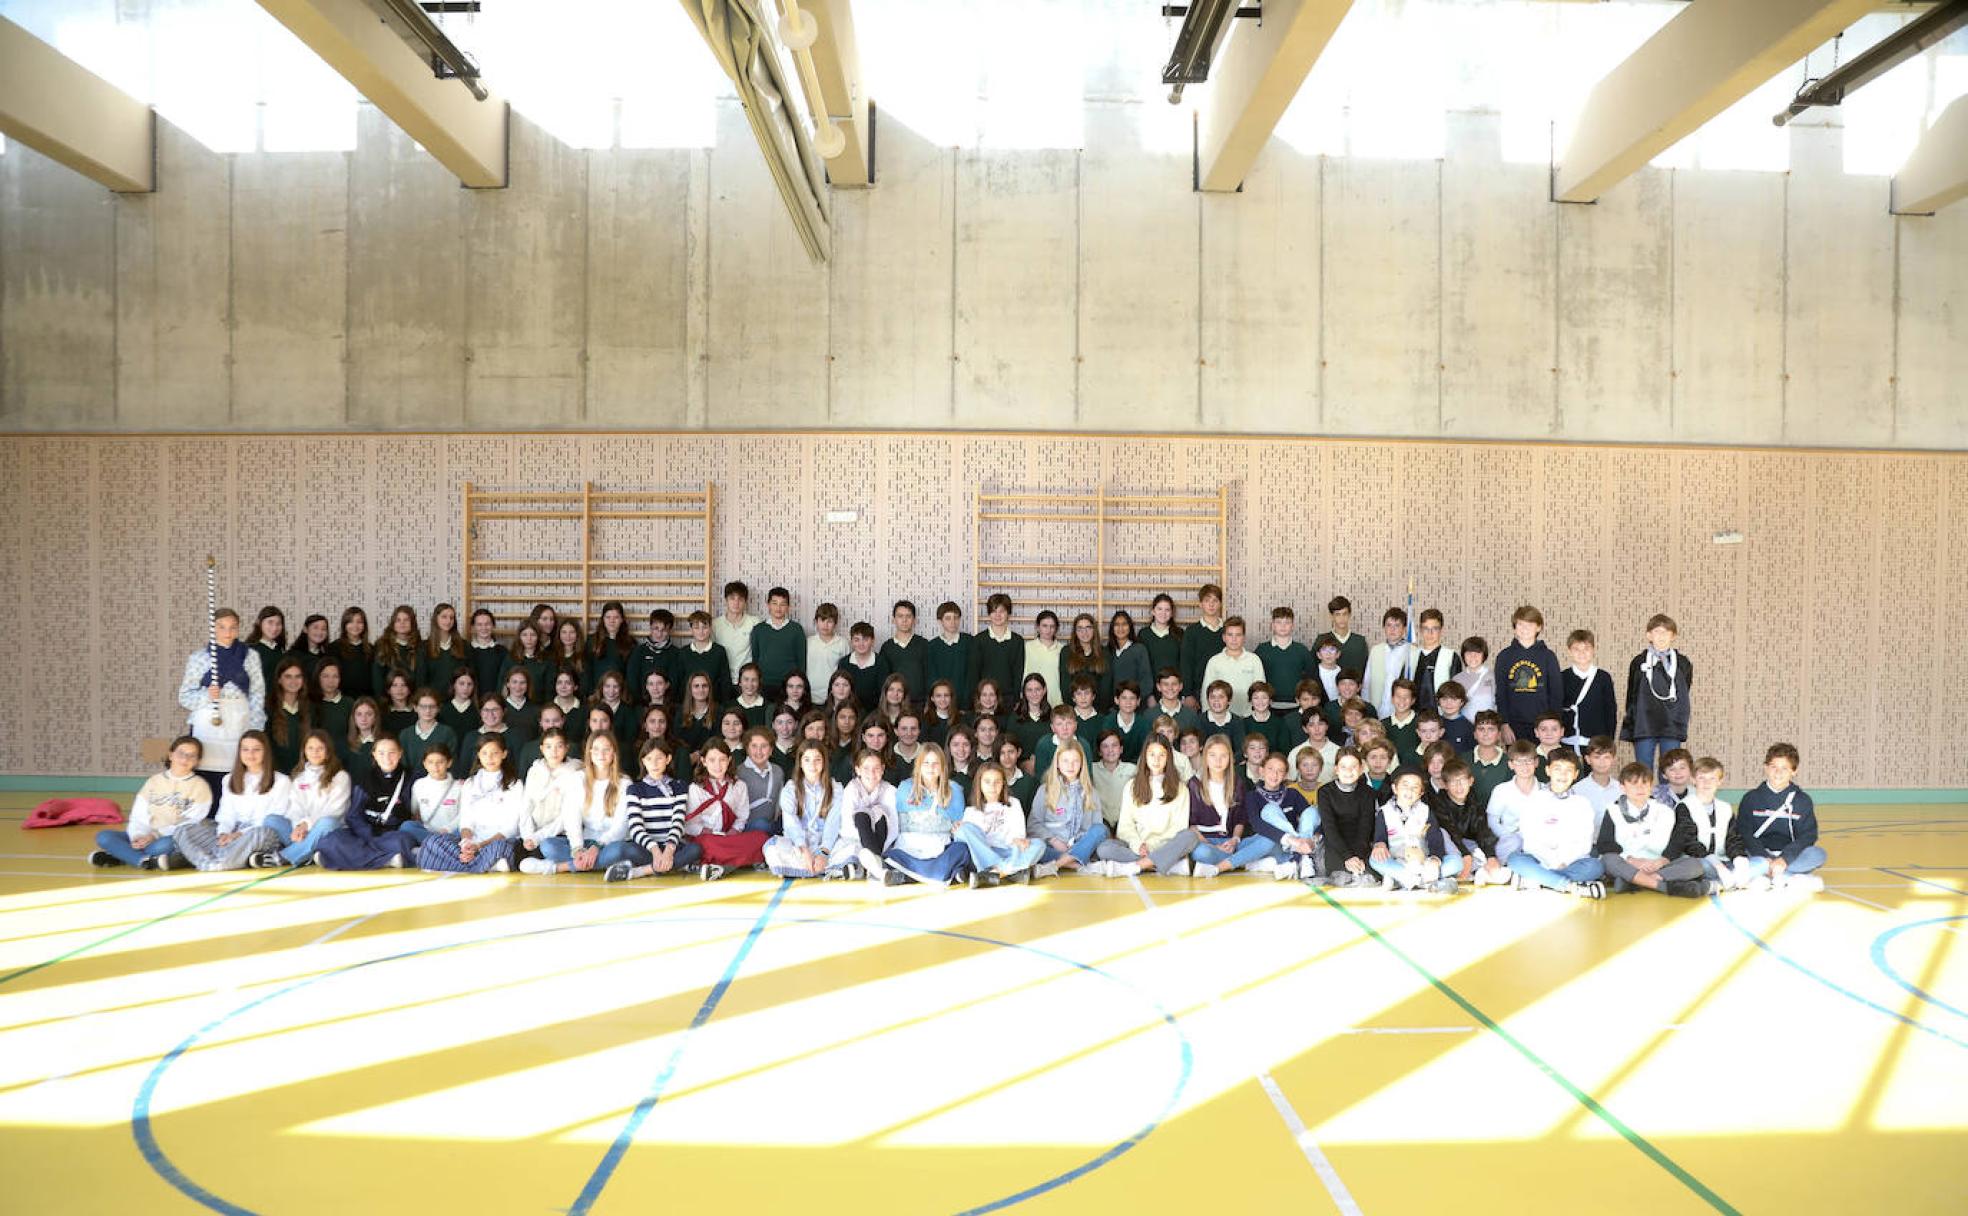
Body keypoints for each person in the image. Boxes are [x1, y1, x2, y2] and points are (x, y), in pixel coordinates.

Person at [177, 607, 267, 805]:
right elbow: (184, 696)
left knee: (238, 770)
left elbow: (257, 692)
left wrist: (255, 726)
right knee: (207, 771)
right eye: (222, 627)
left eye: (233, 627)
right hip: (208, 721)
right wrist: (207, 695)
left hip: (239, 720)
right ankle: (207, 811)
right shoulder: (200, 658)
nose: (228, 632)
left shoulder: (250, 656)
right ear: (213, 628)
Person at [175, 730, 291, 872]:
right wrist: (223, 833)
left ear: (266, 752)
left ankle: (217, 862)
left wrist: (238, 835)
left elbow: (274, 818)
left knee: (261, 834)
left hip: (257, 832)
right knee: (184, 829)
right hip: (232, 831)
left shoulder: (281, 781)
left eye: (256, 749)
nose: (250, 754)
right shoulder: (229, 779)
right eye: (245, 749)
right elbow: (226, 814)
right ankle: (219, 859)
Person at [91, 736, 212, 870]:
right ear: (171, 755)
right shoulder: (154, 781)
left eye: (191, 756)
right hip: (145, 836)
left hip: (169, 838)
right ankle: (144, 861)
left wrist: (155, 835)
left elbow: (190, 824)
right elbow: (138, 815)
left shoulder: (200, 786)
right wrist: (137, 836)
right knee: (104, 837)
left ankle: (124, 855)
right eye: (181, 753)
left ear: (197, 761)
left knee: (163, 846)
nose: (185, 759)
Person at [1595, 761, 1709, 897]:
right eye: (1634, 784)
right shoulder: (1613, 810)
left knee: (1695, 864)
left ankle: (1634, 882)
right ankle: (1664, 887)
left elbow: (1676, 842)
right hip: (1627, 863)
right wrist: (1632, 861)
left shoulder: (1664, 811)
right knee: (1608, 860)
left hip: (1657, 864)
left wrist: (1662, 861)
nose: (1640, 788)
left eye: (1645, 783)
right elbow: (1605, 844)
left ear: (1651, 786)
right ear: (1623, 788)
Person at [1504, 751, 1605, 898]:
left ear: (1576, 774)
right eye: (1557, 769)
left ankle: (1538, 880)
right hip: (1540, 858)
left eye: (1568, 770)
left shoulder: (1582, 803)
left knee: (1596, 867)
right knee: (1515, 859)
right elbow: (1530, 838)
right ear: (1548, 771)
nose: (1563, 775)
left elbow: (1584, 842)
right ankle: (1569, 886)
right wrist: (1551, 861)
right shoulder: (1535, 799)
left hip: (1570, 861)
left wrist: (1563, 860)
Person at [418, 735, 521, 873]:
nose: (489, 758)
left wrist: (480, 846)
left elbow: (512, 827)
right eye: (484, 753)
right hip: (473, 841)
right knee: (432, 842)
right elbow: (466, 820)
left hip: (499, 841)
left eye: (495, 753)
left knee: (500, 848)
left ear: (504, 754)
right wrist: (466, 843)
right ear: (478, 755)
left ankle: (467, 863)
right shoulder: (470, 783)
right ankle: (486, 864)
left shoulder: (515, 784)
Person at [1091, 738, 1192, 877]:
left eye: (1161, 755)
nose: (1156, 760)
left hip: (1166, 846)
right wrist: (1138, 845)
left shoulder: (1180, 789)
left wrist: (1154, 847)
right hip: (1140, 847)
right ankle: (1164, 864)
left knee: (1190, 837)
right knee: (1104, 848)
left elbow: (1180, 827)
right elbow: (1125, 826)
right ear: (1145, 756)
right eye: (1152, 754)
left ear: (1168, 757)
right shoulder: (1132, 786)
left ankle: (1137, 866)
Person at [316, 735, 419, 870]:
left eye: (392, 753)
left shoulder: (412, 778)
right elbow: (353, 815)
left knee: (402, 842)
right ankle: (386, 860)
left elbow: (414, 814)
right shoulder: (365, 778)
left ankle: (342, 858)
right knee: (330, 840)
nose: (387, 758)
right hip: (364, 832)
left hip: (392, 834)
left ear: (400, 753)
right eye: (381, 753)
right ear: (374, 755)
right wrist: (367, 834)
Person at [253, 729, 351, 868]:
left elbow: (335, 811)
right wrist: (299, 826)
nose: (315, 752)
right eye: (310, 748)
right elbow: (295, 808)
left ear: (328, 751)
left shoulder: (340, 776)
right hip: (303, 830)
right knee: (271, 820)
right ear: (304, 751)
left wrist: (307, 824)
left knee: (327, 822)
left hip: (329, 829)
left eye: (320, 748)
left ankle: (284, 856)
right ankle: (307, 852)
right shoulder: (299, 778)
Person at [1734, 742, 1825, 892]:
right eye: (1773, 767)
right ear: (1765, 768)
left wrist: (1784, 859)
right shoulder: (1751, 798)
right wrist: (1765, 858)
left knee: (1818, 854)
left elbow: (1808, 836)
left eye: (1784, 768)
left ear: (1794, 771)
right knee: (1742, 856)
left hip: (1789, 856)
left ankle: (1770, 876)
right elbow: (1744, 833)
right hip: (1759, 855)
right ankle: (1788, 877)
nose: (1778, 773)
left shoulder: (1803, 800)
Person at [886, 744, 971, 886]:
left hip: (940, 847)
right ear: (918, 765)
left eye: (935, 763)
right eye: (926, 763)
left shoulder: (954, 790)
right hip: (910, 848)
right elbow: (901, 824)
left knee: (962, 849)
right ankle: (947, 874)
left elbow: (955, 828)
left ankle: (908, 875)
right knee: (891, 856)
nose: (931, 768)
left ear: (942, 766)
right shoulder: (905, 787)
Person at [1622, 614, 1693, 776]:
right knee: (1643, 769)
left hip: (1671, 723)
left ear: (1673, 636)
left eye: (1666, 632)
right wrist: (1633, 720)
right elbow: (1632, 693)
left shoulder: (1682, 662)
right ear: (1649, 635)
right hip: (1644, 723)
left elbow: (1684, 690)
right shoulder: (1639, 661)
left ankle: (1667, 794)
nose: (1661, 636)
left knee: (1670, 769)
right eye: (1657, 632)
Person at [766, 741, 849, 880]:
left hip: (826, 844)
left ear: (824, 762)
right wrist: (804, 851)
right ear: (800, 763)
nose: (812, 765)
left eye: (817, 759)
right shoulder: (790, 789)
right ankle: (825, 868)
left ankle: (804, 869)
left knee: (851, 846)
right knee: (772, 847)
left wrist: (824, 852)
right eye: (807, 760)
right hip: (798, 845)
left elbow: (833, 823)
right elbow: (791, 824)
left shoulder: (836, 788)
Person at [1026, 740, 1108, 875]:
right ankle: (1077, 864)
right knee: (1033, 847)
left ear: (1082, 764)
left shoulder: (1090, 792)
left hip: (1080, 845)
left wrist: (1078, 844)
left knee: (1101, 829)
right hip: (1052, 846)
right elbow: (1033, 825)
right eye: (1065, 761)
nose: (1070, 766)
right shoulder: (1045, 790)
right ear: (1057, 764)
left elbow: (1095, 826)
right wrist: (1054, 841)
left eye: (1075, 761)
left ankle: (1055, 865)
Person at [1369, 770, 1460, 893]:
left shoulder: (1425, 811)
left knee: (1456, 862)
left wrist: (1435, 859)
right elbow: (1380, 837)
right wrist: (1379, 845)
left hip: (1424, 863)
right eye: (1405, 785)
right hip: (1398, 862)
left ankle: (1401, 879)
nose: (1409, 790)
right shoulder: (1384, 812)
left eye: (1415, 787)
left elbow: (1435, 839)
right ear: (1395, 789)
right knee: (1374, 860)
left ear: (1421, 793)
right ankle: (1424, 881)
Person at [957, 762, 1044, 885]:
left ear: (1003, 783)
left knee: (1039, 845)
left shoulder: (1013, 803)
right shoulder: (971, 811)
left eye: (997, 781)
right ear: (979, 784)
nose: (992, 786)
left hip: (1009, 852)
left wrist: (1020, 841)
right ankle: (1010, 871)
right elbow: (972, 843)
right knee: (963, 829)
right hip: (985, 854)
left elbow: (1018, 836)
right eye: (987, 782)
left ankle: (994, 873)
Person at [1678, 756, 1752, 891]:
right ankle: (1728, 880)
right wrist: (1718, 866)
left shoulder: (1725, 807)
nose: (1707, 783)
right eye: (1701, 778)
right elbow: (1689, 843)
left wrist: (1739, 860)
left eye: (1712, 778)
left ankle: (1725, 881)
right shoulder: (1684, 807)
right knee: (1698, 868)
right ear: (1693, 780)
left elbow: (1733, 839)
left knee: (1759, 863)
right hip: (1699, 860)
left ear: (1720, 781)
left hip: (1725, 860)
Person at [1432, 759, 1504, 886]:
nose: (1459, 786)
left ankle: (1481, 869)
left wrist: (1491, 856)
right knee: (1443, 833)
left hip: (1469, 845)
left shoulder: (1473, 801)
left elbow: (1482, 829)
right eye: (1453, 782)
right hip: (1451, 848)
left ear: (1471, 781)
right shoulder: (1439, 803)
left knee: (1503, 844)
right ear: (1445, 785)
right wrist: (1466, 856)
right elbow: (1451, 832)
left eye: (1462, 780)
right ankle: (1470, 869)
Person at [1495, 606, 1561, 743]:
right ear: (1514, 628)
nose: (1525, 629)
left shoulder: (1548, 656)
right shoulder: (1504, 656)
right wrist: (1504, 724)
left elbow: (1556, 693)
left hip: (1543, 725)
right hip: (1514, 725)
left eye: (1530, 625)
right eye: (1520, 624)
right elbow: (1501, 693)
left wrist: (1554, 724)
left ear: (1539, 627)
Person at [1560, 629, 1618, 756]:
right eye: (1576, 649)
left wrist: (1609, 740)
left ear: (1593, 650)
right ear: (1569, 651)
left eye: (1586, 648)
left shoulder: (1603, 677)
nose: (1582, 653)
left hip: (1596, 743)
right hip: (1568, 740)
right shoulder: (1562, 677)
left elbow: (1610, 711)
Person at [1178, 583, 1227, 706]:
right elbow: (1186, 664)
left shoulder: (1228, 630)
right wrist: (1187, 693)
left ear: (1220, 604)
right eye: (1207, 600)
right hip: (1198, 689)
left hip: (1225, 688)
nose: (1211, 604)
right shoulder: (1192, 631)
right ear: (1200, 604)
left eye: (1215, 600)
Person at [1363, 607, 1415, 718]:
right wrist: (1366, 706)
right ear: (1384, 627)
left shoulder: (1413, 652)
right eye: (1389, 625)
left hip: (1401, 708)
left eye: (1397, 625)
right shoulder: (1376, 650)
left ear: (1404, 628)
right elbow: (1367, 681)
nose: (1392, 629)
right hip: (1377, 707)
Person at [879, 600, 930, 702]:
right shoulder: (887, 647)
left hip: (920, 703)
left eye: (908, 616)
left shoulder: (924, 644)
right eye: (900, 616)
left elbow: (929, 676)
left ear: (914, 620)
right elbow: (884, 679)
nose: (904, 620)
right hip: (895, 703)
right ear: (893, 620)